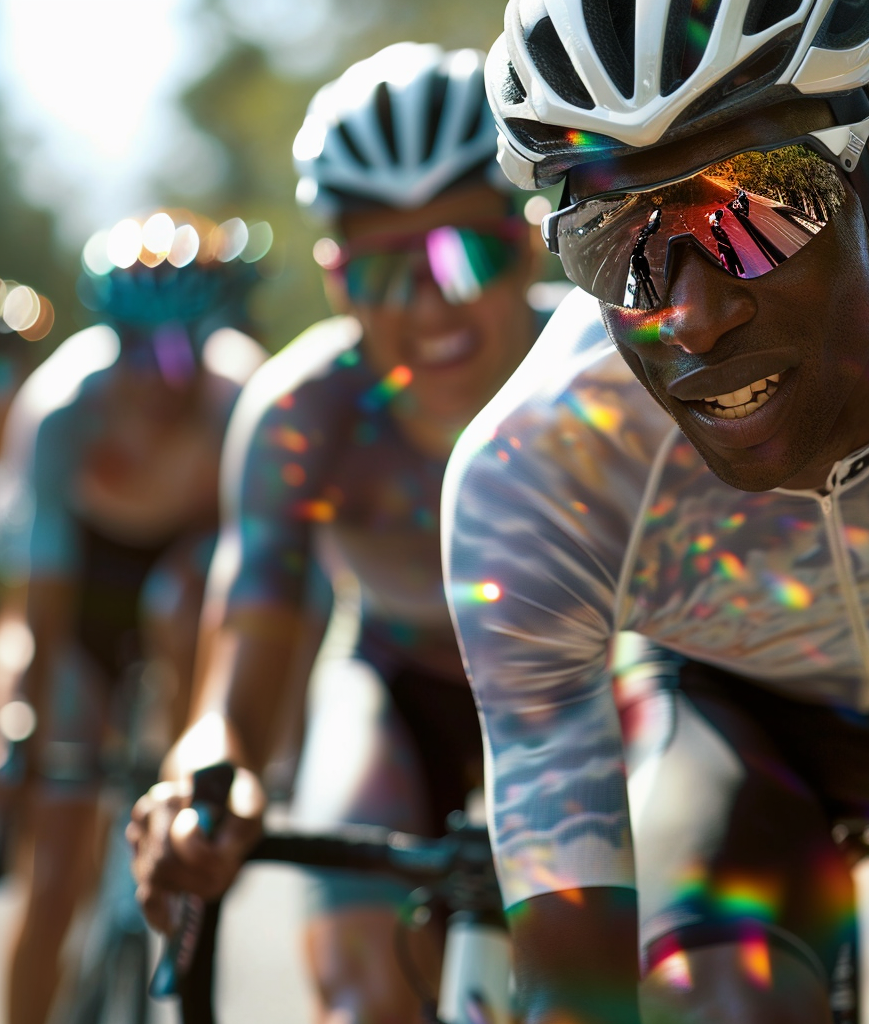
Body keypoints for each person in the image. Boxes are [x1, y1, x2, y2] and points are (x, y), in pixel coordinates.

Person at [443, 1, 869, 1023]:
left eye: (755, 211)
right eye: (615, 243)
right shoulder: (536, 472)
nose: (692, 314)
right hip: (740, 728)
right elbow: (572, 989)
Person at [128, 43, 539, 1024]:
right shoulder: (302, 412)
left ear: (526, 240)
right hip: (393, 687)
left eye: (465, 253)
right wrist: (205, 777)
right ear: (335, 280)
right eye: (388, 271)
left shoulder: (607, 372)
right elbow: (243, 668)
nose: (433, 301)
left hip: (589, 688)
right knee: (364, 1000)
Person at [0, 209, 267, 1024]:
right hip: (85, 592)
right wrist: (36, 738)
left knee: (186, 595)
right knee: (54, 874)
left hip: (184, 591)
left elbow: (264, 582)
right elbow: (44, 598)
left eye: (189, 343)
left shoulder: (244, 398)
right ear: (108, 337)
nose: (166, 374)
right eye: (141, 348)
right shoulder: (63, 411)